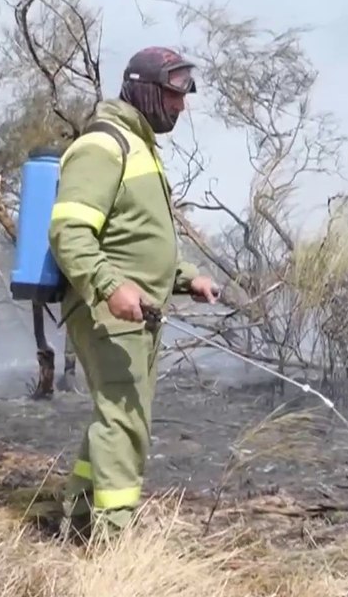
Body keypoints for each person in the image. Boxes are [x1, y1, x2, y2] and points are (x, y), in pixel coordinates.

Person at [47, 46, 219, 543]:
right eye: (173, 94)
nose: (181, 107)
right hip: (108, 311)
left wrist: (188, 277)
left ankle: (79, 522)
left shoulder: (140, 147)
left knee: (115, 416)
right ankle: (112, 542)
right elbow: (69, 234)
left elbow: (137, 237)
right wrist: (109, 286)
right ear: (145, 88)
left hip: (136, 312)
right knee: (126, 421)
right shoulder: (102, 147)